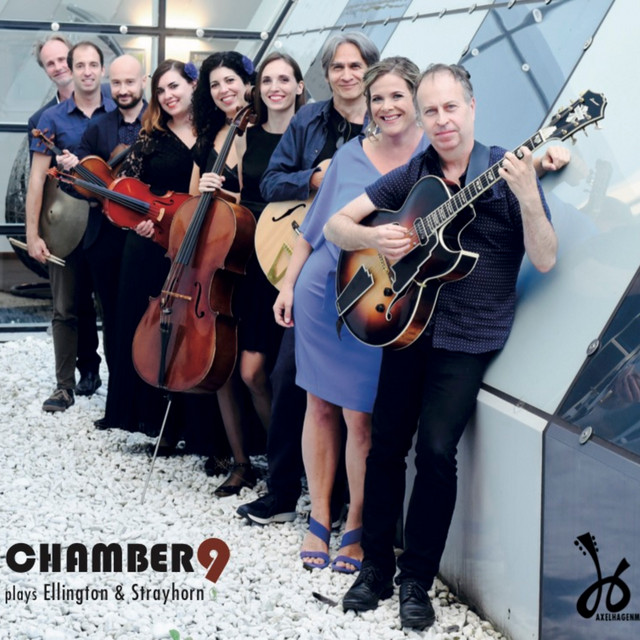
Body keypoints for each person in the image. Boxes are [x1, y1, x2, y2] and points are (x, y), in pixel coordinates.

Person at [325, 63, 558, 630]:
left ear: (472, 107)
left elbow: (546, 257)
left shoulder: (506, 172)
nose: (441, 120)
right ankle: (375, 568)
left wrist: (529, 195)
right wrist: (373, 237)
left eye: (451, 107)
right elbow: (336, 226)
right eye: (431, 110)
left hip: (469, 335)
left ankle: (416, 580)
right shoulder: (417, 172)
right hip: (406, 323)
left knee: (433, 451)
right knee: (385, 447)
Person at [273, 56, 426, 573]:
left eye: (397, 96)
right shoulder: (349, 155)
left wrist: (541, 161)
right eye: (377, 98)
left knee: (361, 417)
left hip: (379, 304)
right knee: (318, 405)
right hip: (321, 292)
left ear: (416, 99)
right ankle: (318, 516)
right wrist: (288, 285)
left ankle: (356, 523)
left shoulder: (433, 157)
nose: (386, 106)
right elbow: (314, 228)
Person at [237, 31, 380, 526]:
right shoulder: (308, 119)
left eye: (355, 66)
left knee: (350, 394)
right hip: (313, 260)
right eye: (337, 67)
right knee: (288, 376)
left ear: (370, 71)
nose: (346, 75)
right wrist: (315, 178)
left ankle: (340, 502)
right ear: (326, 75)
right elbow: (270, 181)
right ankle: (281, 492)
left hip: (368, 270)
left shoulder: (386, 120)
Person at [26, 41, 116, 412]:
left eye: (93, 64)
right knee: (65, 307)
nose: (86, 71)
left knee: (114, 308)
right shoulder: (50, 119)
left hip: (111, 223)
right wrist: (32, 234)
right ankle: (64, 386)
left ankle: (123, 390)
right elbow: (36, 180)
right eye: (79, 65)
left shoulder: (120, 108)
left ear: (102, 68)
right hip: (66, 222)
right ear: (72, 69)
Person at [188, 51, 261, 496]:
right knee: (224, 363)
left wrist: (228, 194)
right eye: (215, 84)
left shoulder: (263, 130)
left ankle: (286, 460)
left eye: (230, 80)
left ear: (248, 82)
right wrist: (201, 190)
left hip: (258, 258)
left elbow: (262, 195)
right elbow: (191, 202)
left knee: (258, 369)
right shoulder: (208, 138)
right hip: (219, 262)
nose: (223, 90)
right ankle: (240, 461)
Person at [56, 54, 147, 391]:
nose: (123, 90)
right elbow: (75, 186)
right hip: (105, 237)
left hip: (149, 234)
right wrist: (77, 175)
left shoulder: (158, 123)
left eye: (130, 82)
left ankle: (150, 392)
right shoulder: (98, 127)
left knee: (147, 313)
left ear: (143, 82)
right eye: (117, 83)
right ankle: (120, 394)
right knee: (113, 317)